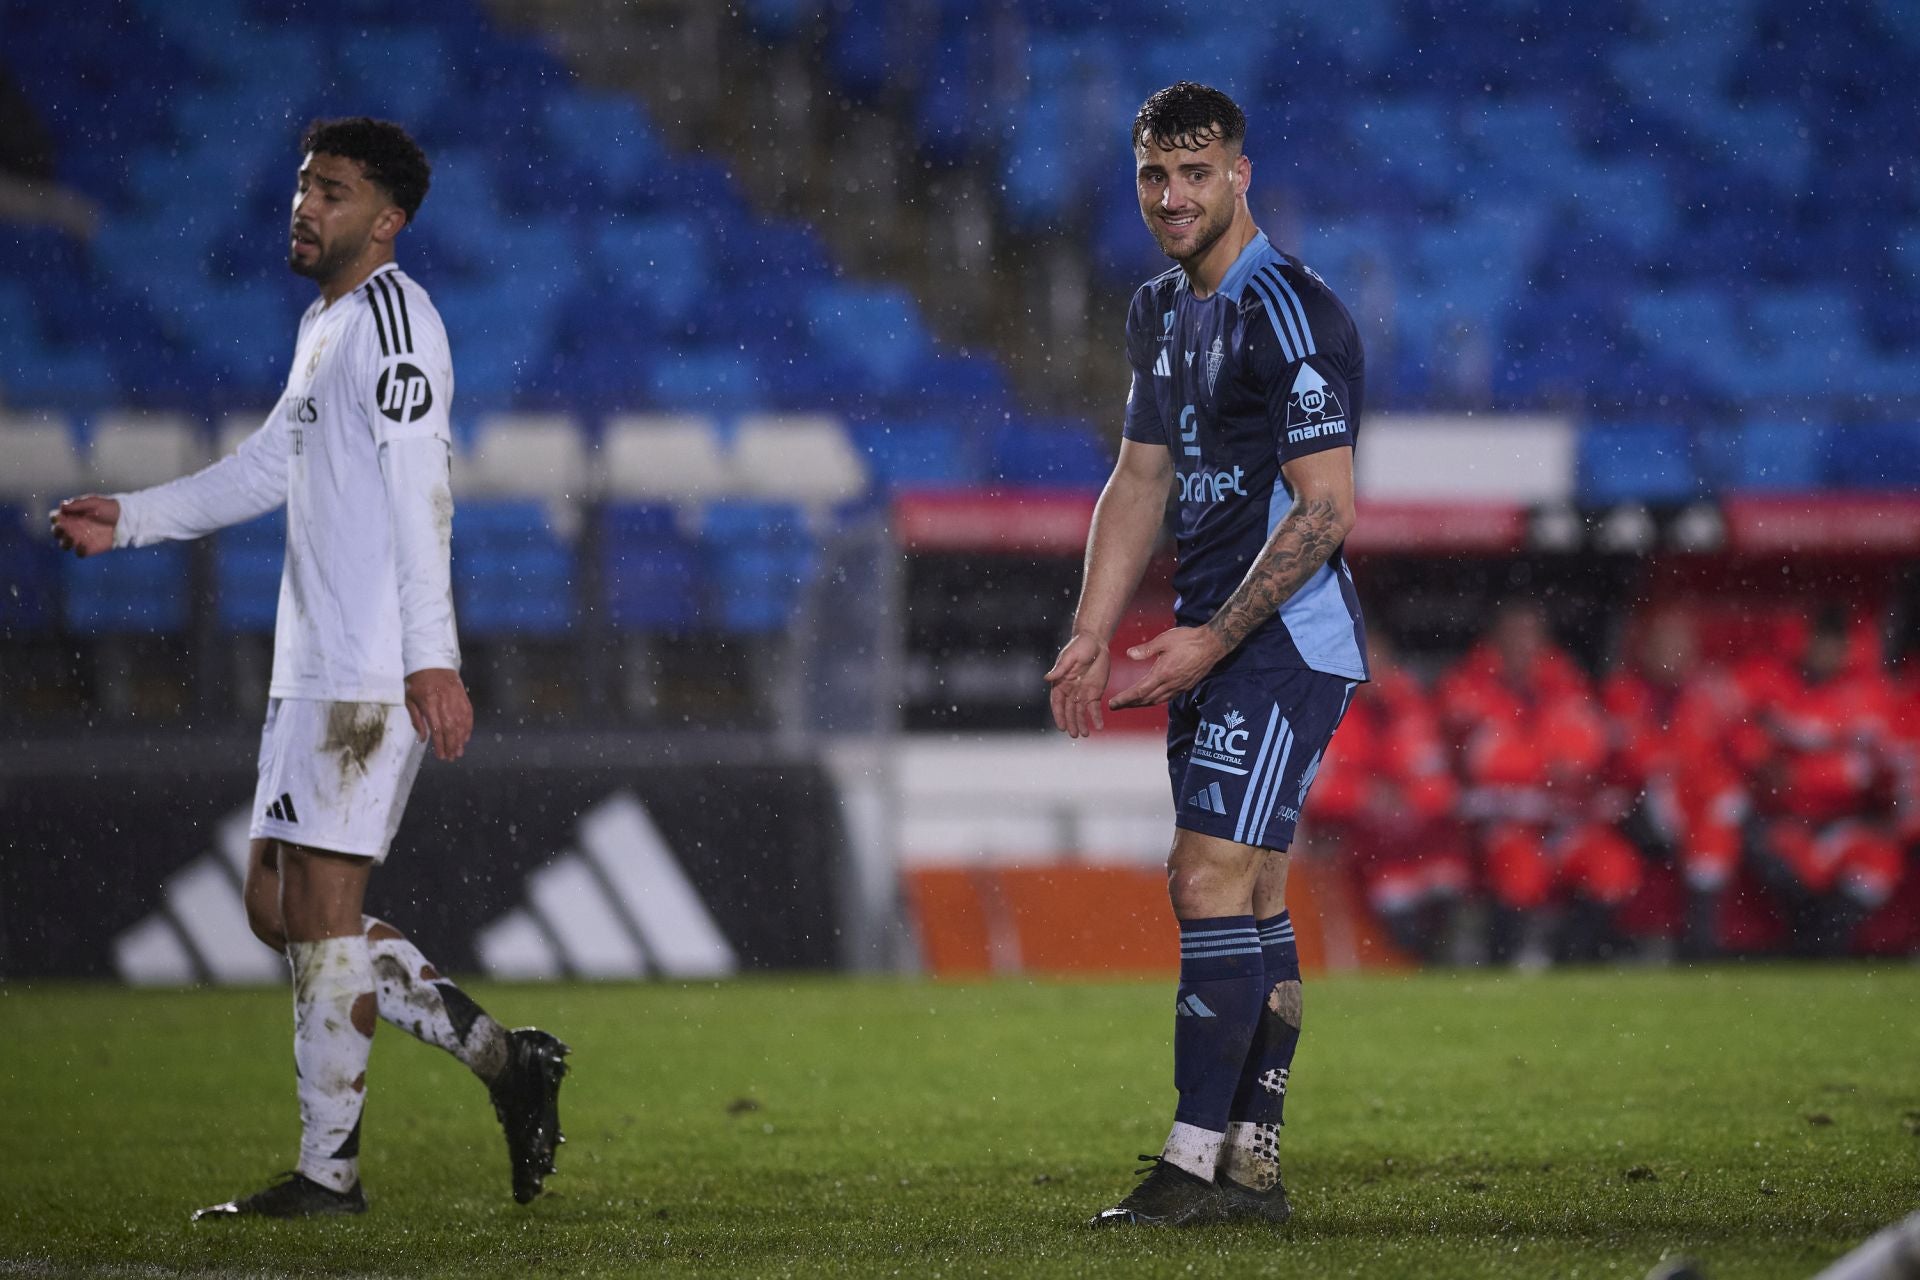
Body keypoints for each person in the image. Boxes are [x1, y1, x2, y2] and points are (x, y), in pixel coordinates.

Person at [49, 117, 569, 1219]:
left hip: (368, 667)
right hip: (314, 662)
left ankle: (329, 1175)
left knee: (325, 913)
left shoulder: (396, 322)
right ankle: (508, 1062)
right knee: (277, 910)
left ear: (386, 221)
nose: (304, 205)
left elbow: (423, 490)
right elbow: (264, 465)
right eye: (301, 185)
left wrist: (431, 657)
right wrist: (131, 518)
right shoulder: (325, 324)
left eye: (330, 191)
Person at [1045, 82, 1369, 1228]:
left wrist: (1210, 637)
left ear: (1241, 173)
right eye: (1152, 174)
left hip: (1281, 638)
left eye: (1194, 172)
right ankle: (1250, 1164)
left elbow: (1325, 512)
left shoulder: (1297, 313)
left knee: (1202, 879)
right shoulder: (1159, 312)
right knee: (1254, 893)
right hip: (1215, 638)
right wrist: (1092, 627)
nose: (1171, 196)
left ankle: (1188, 1167)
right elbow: (1140, 477)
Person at [1436, 600, 1644, 965]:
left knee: (1613, 867)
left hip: (1563, 822)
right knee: (1520, 873)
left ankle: (1575, 966)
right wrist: (1546, 766)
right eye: (1513, 635)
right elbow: (1483, 761)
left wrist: (1547, 766)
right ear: (1496, 639)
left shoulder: (1565, 681)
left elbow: (1587, 750)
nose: (1522, 644)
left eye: (1530, 635)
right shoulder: (1466, 684)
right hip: (1504, 824)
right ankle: (1506, 967)